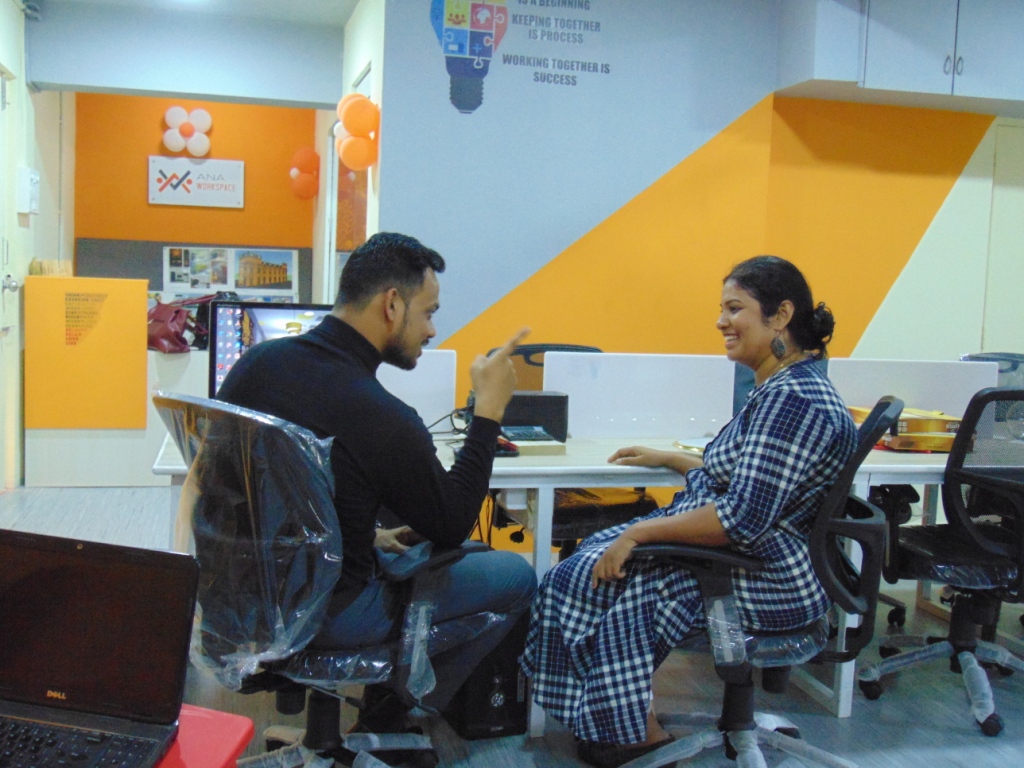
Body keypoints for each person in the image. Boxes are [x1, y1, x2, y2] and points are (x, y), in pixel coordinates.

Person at [521, 255, 857, 768]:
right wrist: (671, 458)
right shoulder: (784, 387)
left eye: (734, 308)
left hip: (768, 573)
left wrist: (639, 534)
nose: (721, 321)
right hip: (751, 556)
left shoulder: (795, 400)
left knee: (620, 581)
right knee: (581, 568)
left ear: (781, 315)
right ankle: (614, 718)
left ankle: (634, 734)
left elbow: (740, 518)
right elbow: (747, 476)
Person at [216, 231, 537, 729]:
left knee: (432, 553)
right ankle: (394, 718)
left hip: (241, 600)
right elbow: (451, 522)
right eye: (428, 313)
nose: (431, 330)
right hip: (330, 612)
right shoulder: (381, 416)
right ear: (392, 304)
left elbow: (258, 496)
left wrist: (363, 535)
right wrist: (488, 414)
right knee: (517, 576)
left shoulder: (256, 365)